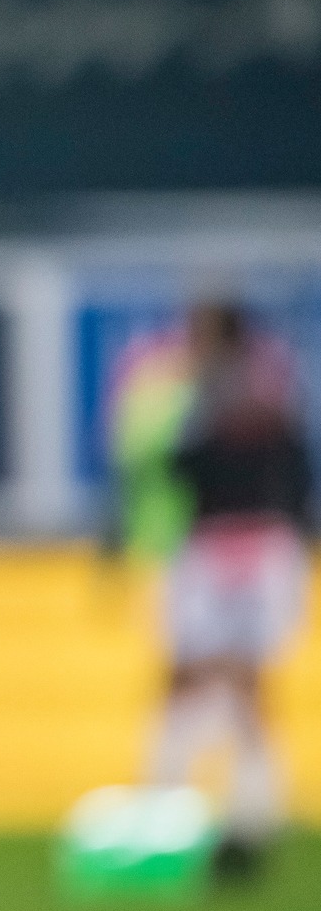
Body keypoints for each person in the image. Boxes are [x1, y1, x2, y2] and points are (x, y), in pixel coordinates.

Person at [139, 300, 310, 880]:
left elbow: (180, 467)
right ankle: (250, 810)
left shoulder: (199, 395)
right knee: (245, 683)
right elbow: (296, 470)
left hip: (219, 546)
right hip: (267, 545)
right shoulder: (276, 391)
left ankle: (170, 800)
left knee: (194, 675)